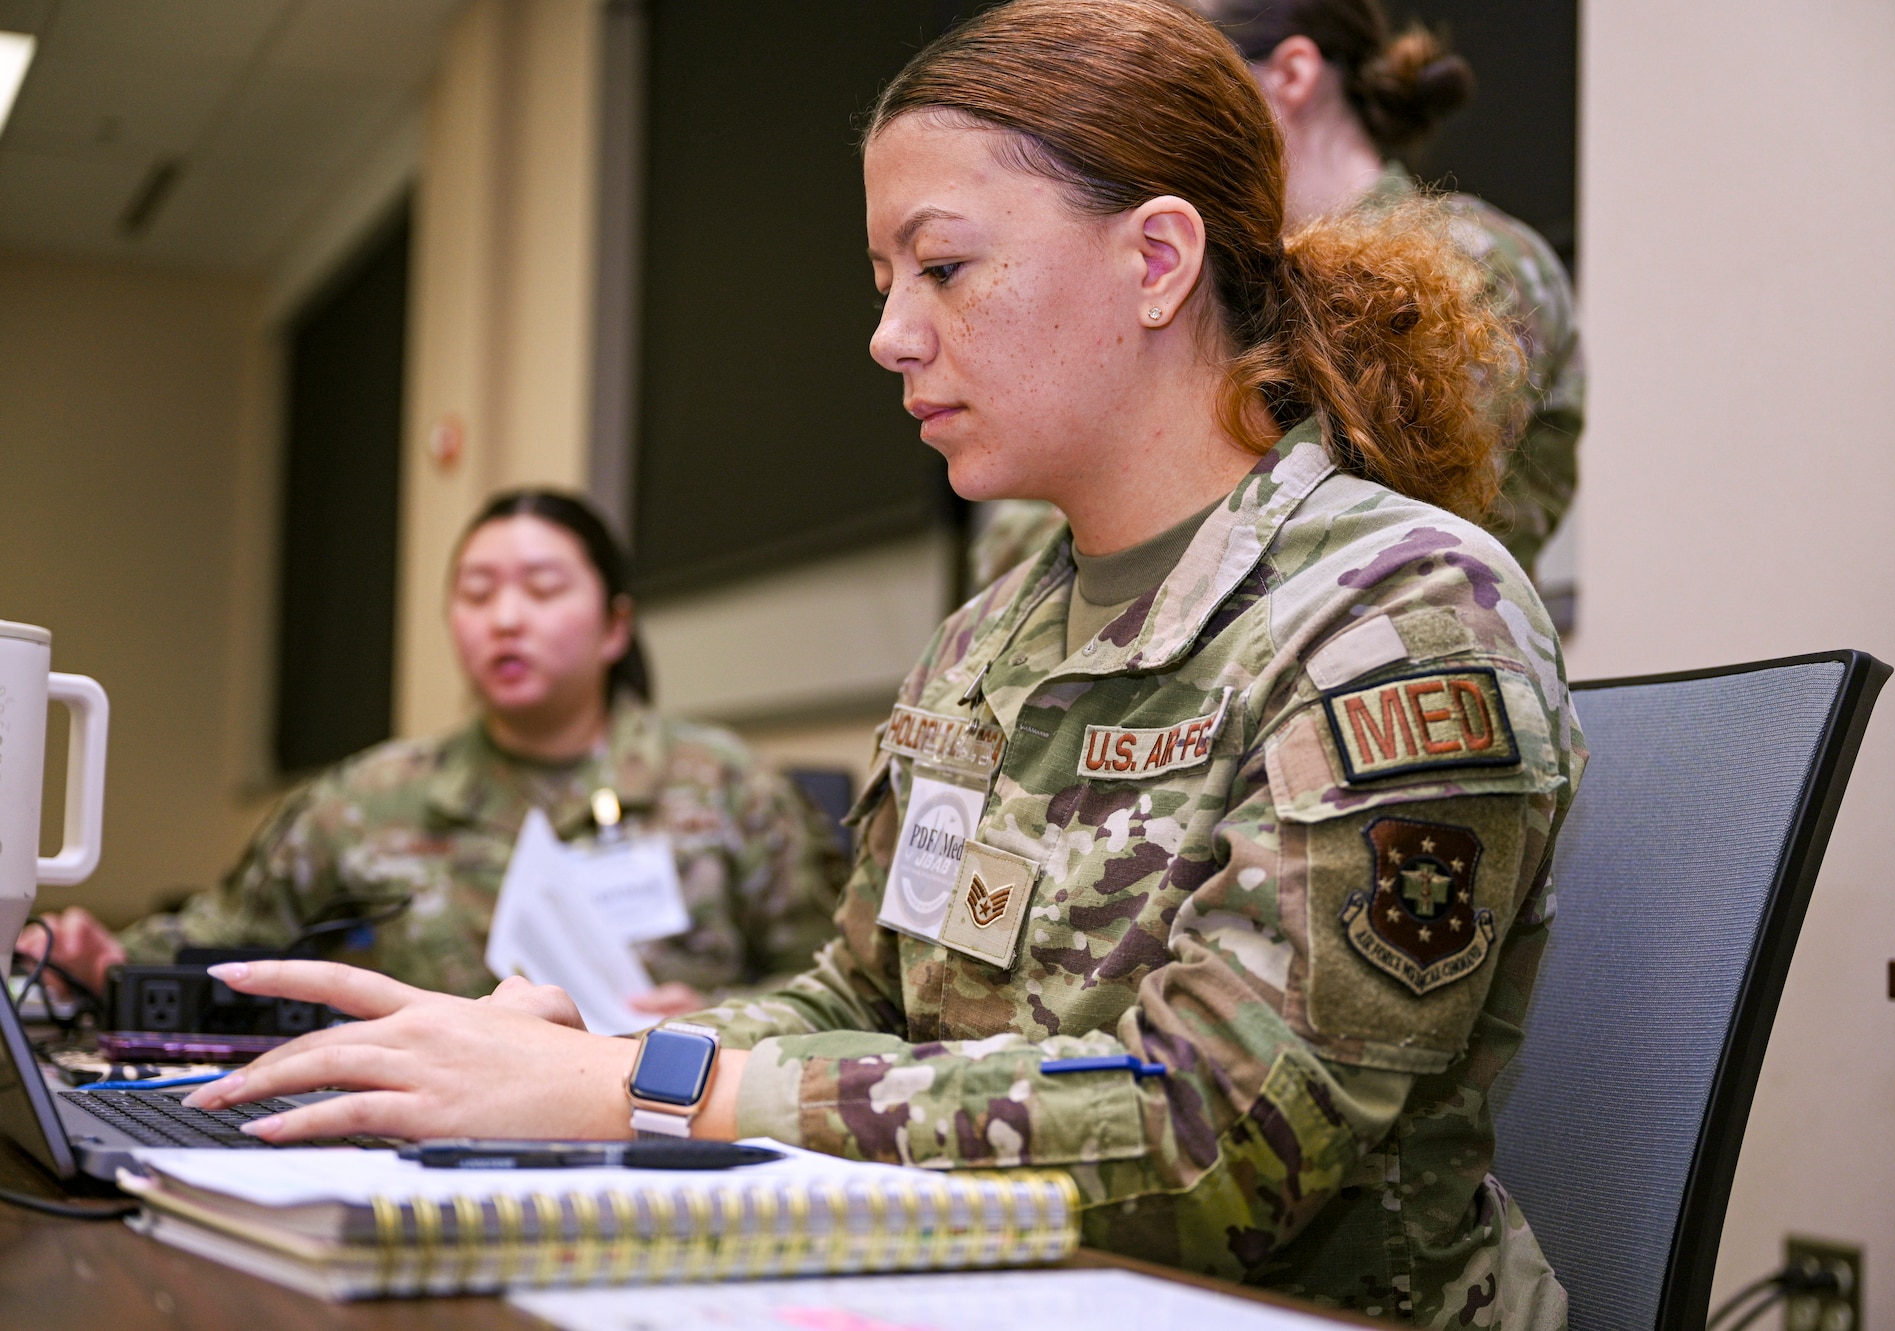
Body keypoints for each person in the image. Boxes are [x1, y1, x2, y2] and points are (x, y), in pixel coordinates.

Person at [187, 3, 1584, 1324]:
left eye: (945, 266)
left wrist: (643, 1085)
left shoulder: (1399, 613)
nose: (889, 334)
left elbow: (1215, 1139)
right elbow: (860, 997)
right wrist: (558, 1054)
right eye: (883, 278)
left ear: (1156, 262)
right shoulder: (990, 639)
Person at [22, 490, 840, 1017]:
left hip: (653, 1126)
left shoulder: (731, 785)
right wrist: (106, 959)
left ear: (615, 626)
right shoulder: (370, 798)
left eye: (544, 588)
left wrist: (713, 1016)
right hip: (414, 1134)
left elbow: (837, 992)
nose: (506, 618)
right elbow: (231, 938)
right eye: (477, 592)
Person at [966, 0, 1584, 591]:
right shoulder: (1209, 280)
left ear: (1291, 74)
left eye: (1191, 96)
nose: (1160, 132)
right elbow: (1020, 548)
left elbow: (1336, 523)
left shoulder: (1474, 263)